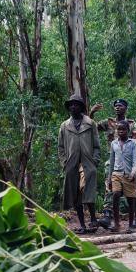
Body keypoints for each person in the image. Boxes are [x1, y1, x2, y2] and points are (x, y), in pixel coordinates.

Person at [93, 99, 136, 229]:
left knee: (132, 190)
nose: (117, 108)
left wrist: (133, 167)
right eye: (115, 106)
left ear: (125, 108)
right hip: (112, 161)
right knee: (109, 187)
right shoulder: (108, 122)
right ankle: (107, 215)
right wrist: (92, 112)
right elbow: (91, 126)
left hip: (128, 161)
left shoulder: (131, 124)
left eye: (120, 106)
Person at [58, 93, 101, 234]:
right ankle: (82, 224)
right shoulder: (64, 126)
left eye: (76, 104)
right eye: (71, 104)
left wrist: (95, 161)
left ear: (81, 107)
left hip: (88, 163)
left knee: (88, 190)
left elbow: (96, 145)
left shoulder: (90, 124)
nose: (73, 106)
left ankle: (93, 219)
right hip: (71, 164)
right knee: (76, 194)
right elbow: (60, 147)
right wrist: (64, 162)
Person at [106, 120, 136, 232]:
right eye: (119, 129)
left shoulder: (133, 143)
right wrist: (109, 177)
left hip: (128, 174)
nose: (121, 131)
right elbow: (111, 161)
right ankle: (116, 224)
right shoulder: (114, 143)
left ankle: (131, 225)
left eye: (123, 129)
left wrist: (133, 172)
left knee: (130, 199)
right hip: (116, 173)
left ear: (128, 130)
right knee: (115, 195)